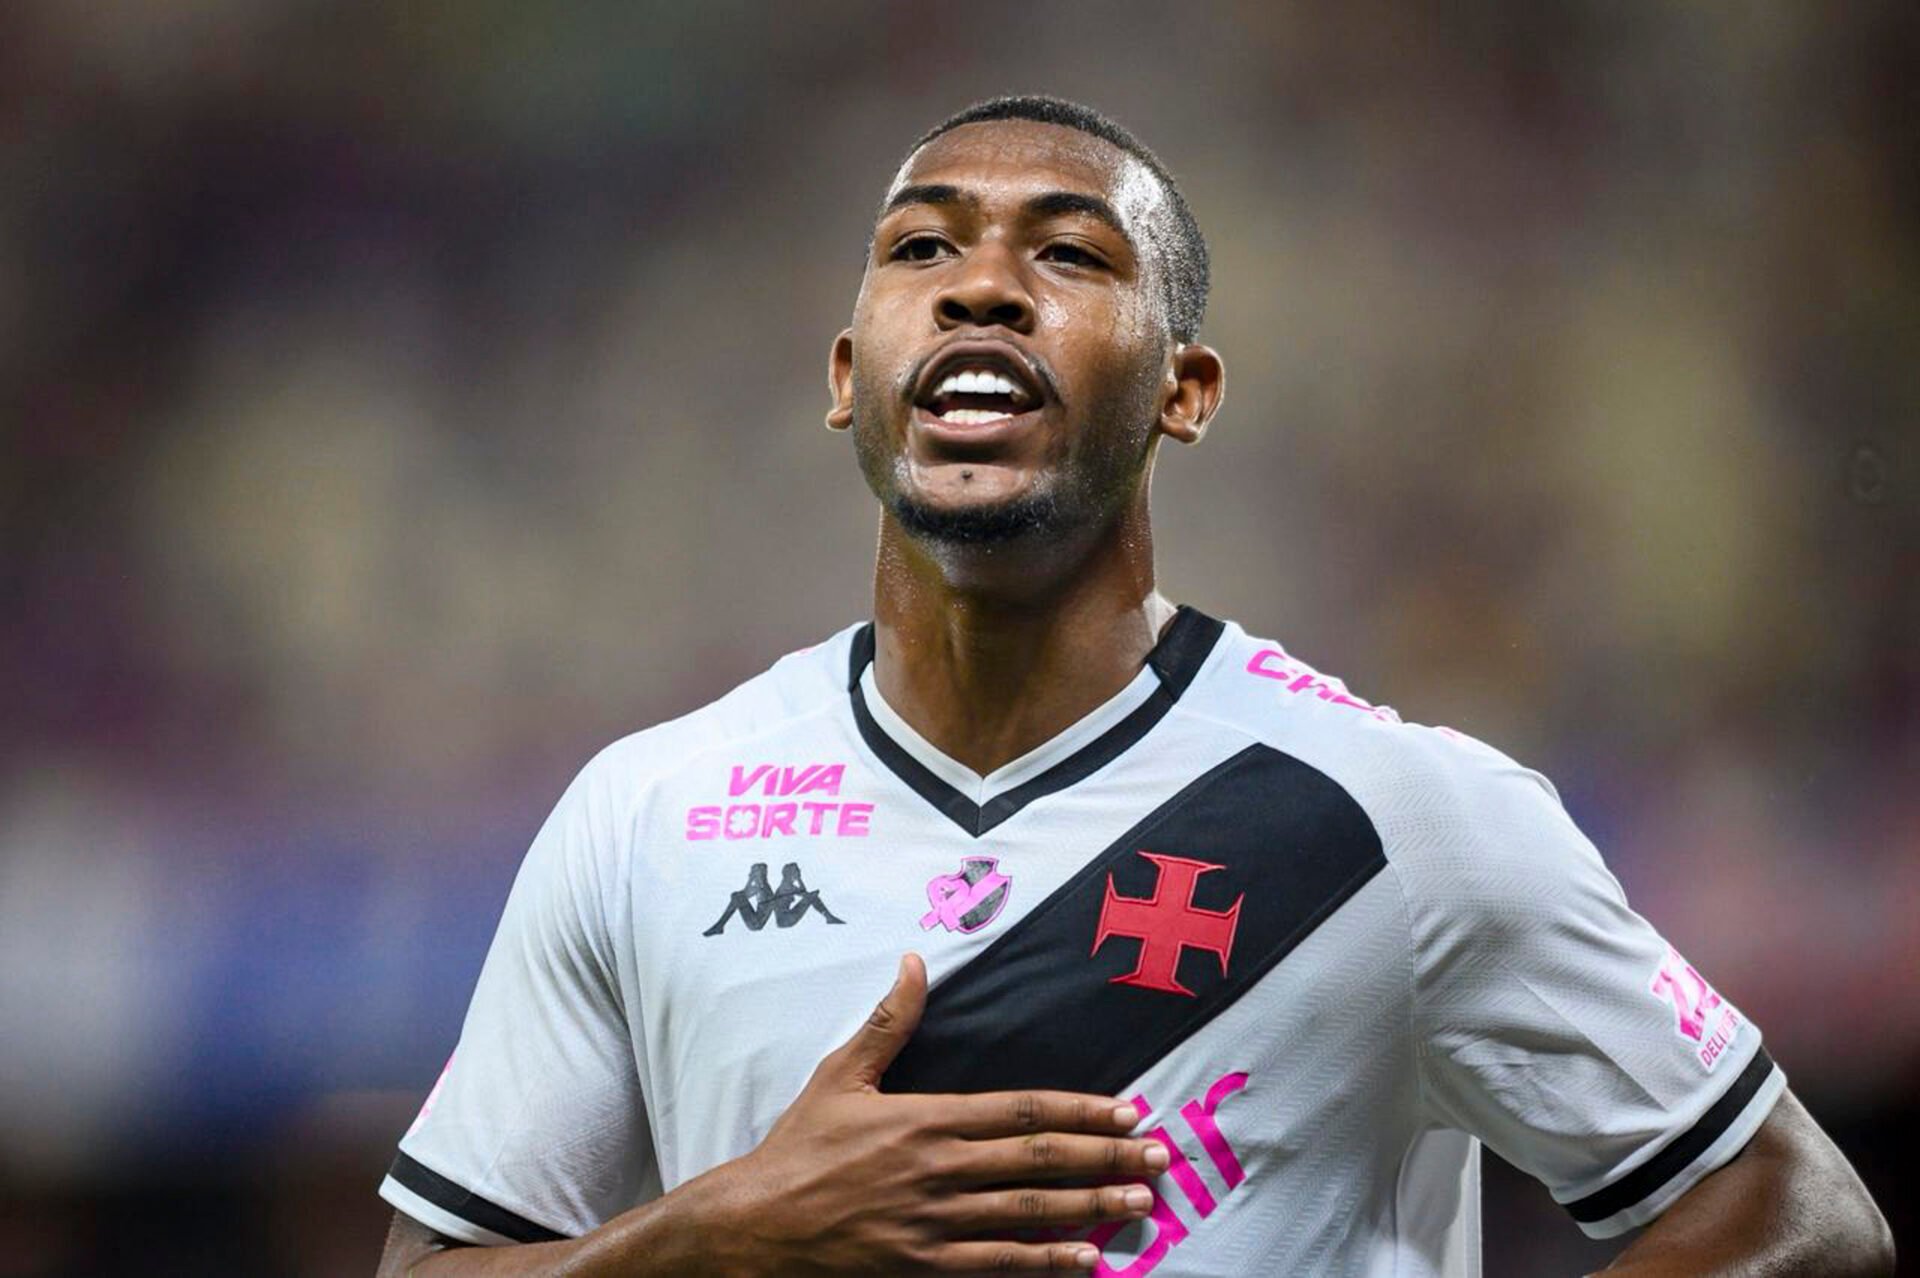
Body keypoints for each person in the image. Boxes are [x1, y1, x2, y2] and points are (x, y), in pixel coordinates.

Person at [375, 96, 1893, 1276]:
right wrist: (715, 1235)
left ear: (1185, 390)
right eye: (922, 249)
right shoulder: (649, 814)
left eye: (1068, 254)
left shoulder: (1394, 816)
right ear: (847, 374)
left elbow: (1800, 1216)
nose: (980, 288)